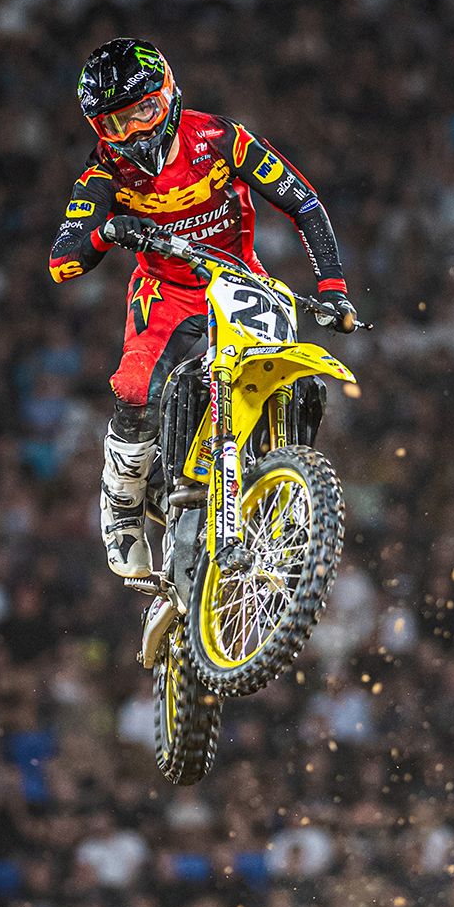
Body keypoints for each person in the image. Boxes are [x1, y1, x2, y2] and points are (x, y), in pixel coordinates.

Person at [48, 38, 357, 579]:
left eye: (144, 111)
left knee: (301, 380)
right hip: (165, 290)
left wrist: (332, 287)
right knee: (135, 388)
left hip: (242, 278)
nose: (134, 132)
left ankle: (283, 486)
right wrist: (106, 232)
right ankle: (122, 503)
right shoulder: (102, 173)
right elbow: (61, 263)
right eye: (116, 123)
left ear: (168, 95)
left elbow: (304, 202)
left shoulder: (220, 138)